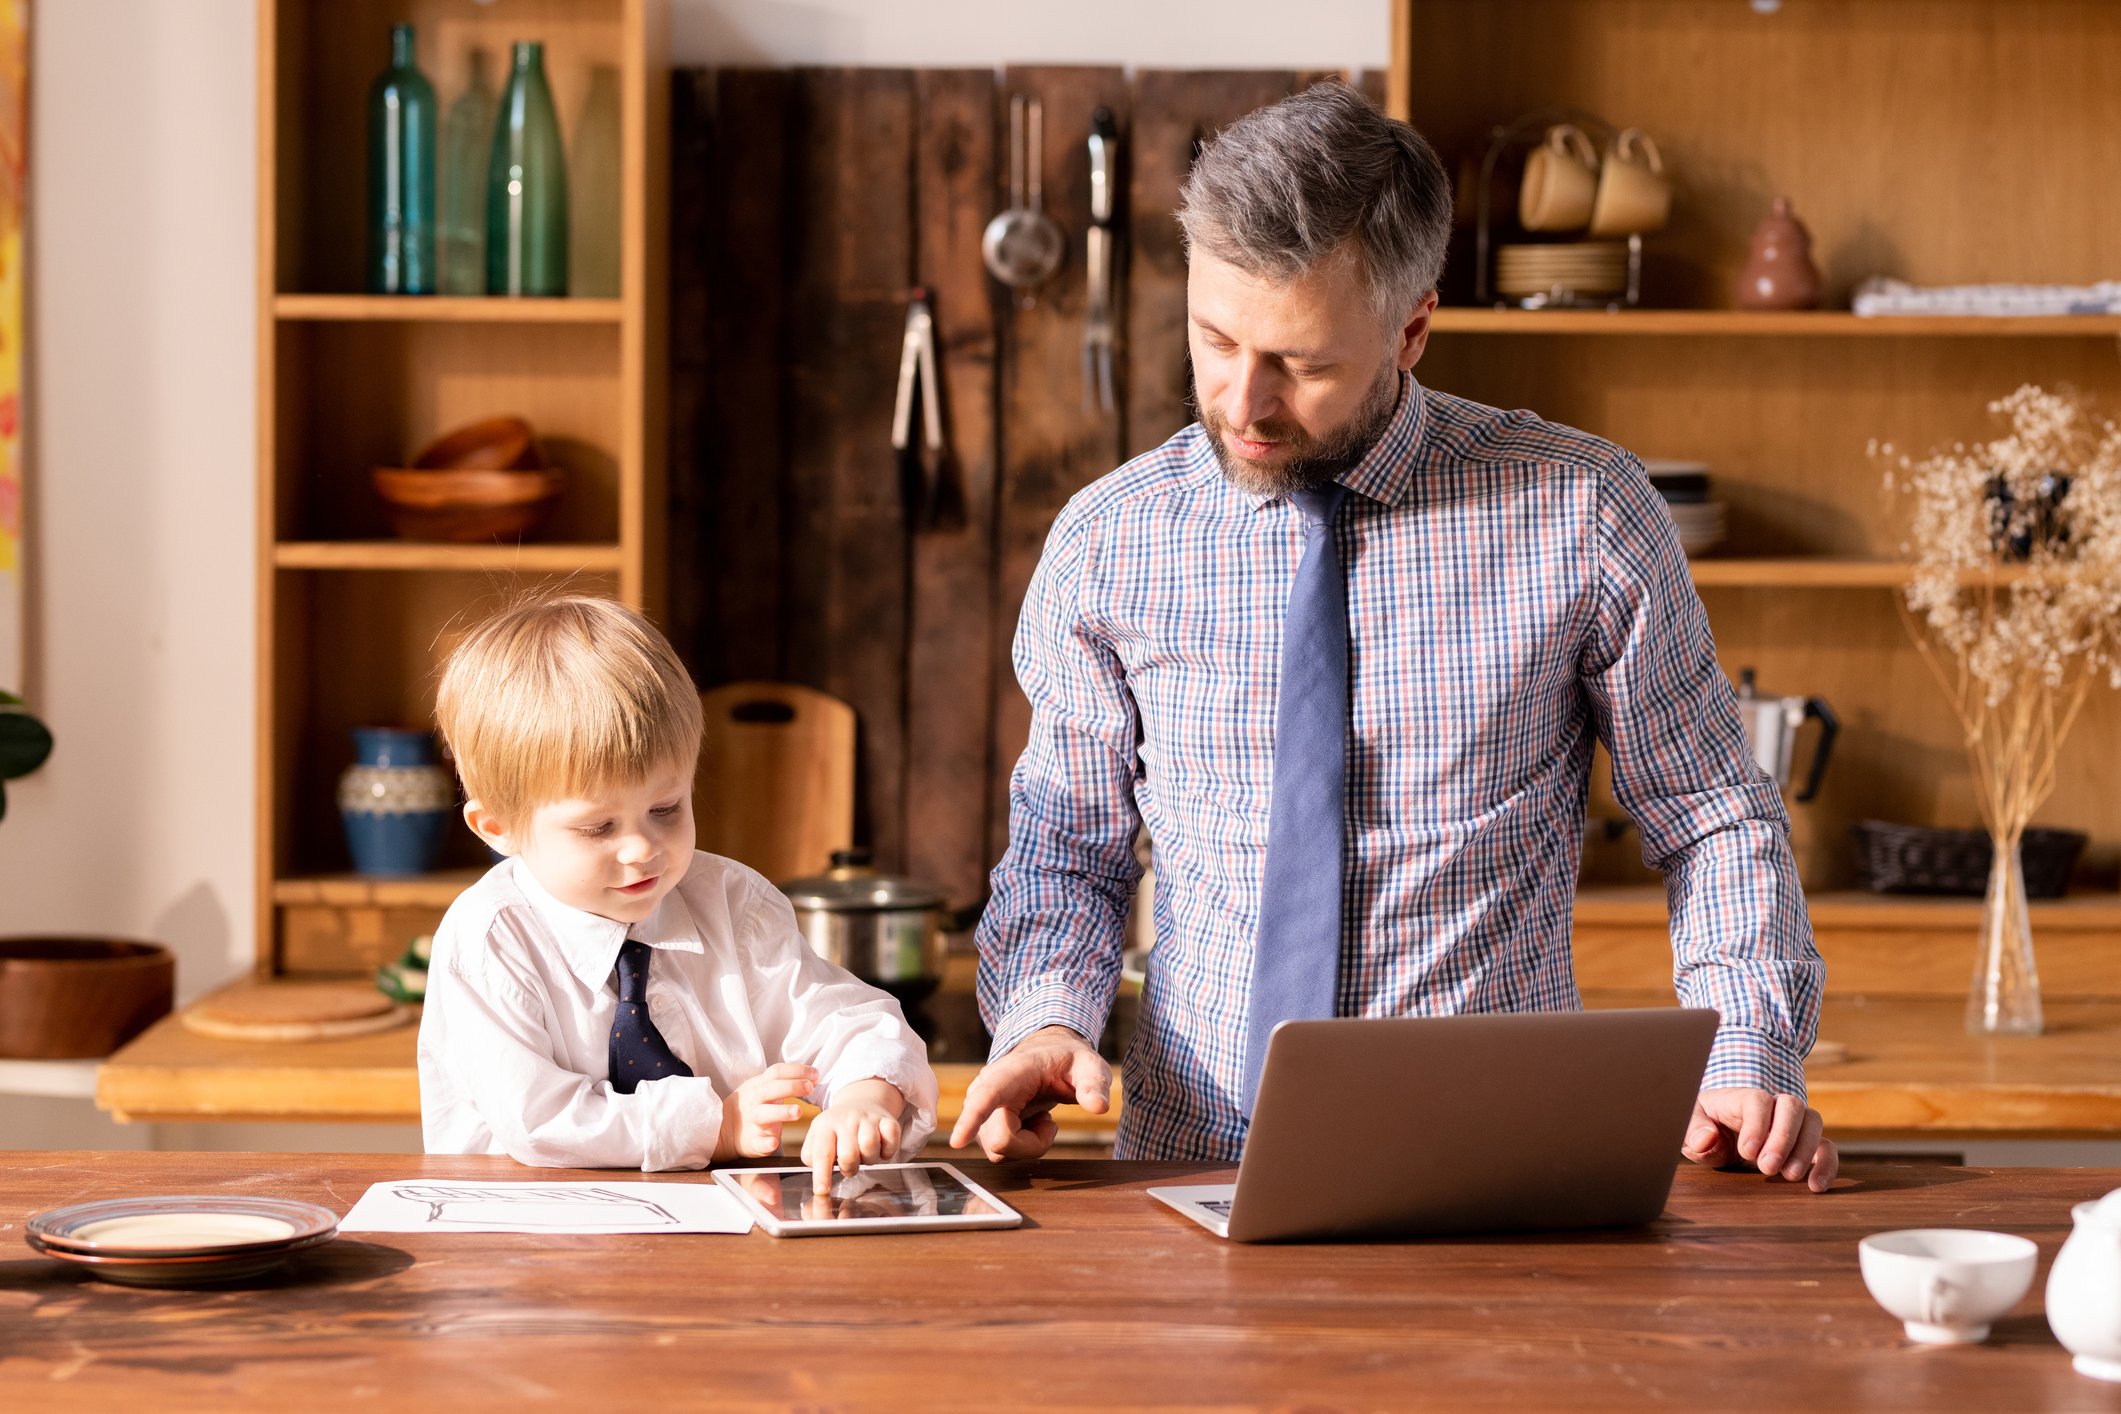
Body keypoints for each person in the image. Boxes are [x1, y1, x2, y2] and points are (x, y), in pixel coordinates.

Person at [953, 83, 1837, 1192]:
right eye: (1215, 338)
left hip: (1497, 1173)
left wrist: (1748, 1052)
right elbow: (1065, 849)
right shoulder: (1111, 543)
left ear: (1413, 327)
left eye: (1305, 363)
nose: (1244, 401)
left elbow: (1712, 816)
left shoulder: (1582, 514)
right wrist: (1042, 1018)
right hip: (1188, 1173)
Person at [419, 593, 938, 1191]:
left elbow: (842, 1021)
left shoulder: (732, 904)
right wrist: (715, 1127)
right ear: (498, 829)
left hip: (712, 1248)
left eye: (666, 808)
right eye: (597, 827)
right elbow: (538, 1121)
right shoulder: (487, 940)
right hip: (528, 1247)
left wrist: (863, 1096)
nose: (643, 848)